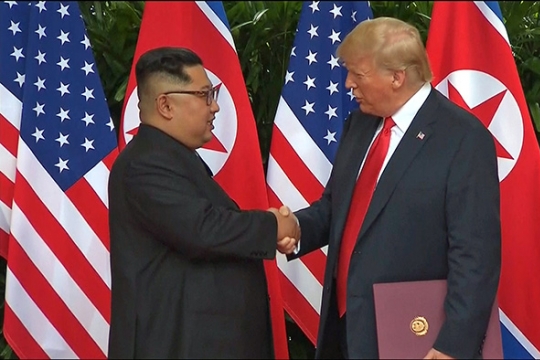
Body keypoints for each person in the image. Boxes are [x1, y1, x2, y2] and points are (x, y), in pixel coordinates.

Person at [282, 17, 501, 359]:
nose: (348, 84)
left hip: (415, 337)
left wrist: (453, 345)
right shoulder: (360, 123)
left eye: (358, 74)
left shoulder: (463, 138)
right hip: (345, 330)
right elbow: (337, 207)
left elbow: (475, 255)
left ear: (397, 77)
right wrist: (296, 227)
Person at [107, 46, 299, 359]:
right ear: (166, 105)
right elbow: (203, 229)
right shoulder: (145, 164)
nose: (215, 108)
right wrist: (273, 225)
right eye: (205, 95)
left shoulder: (174, 158)